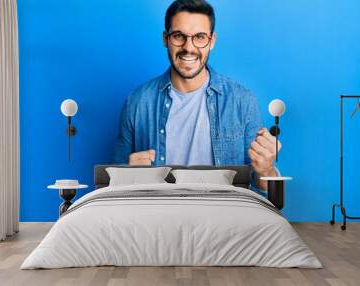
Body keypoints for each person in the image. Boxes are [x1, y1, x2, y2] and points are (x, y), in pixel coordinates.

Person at [112, 0, 281, 192]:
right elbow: (113, 188)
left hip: (223, 216)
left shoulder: (242, 101)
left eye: (199, 37)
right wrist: (129, 175)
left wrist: (266, 170)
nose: (189, 47)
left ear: (212, 41)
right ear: (165, 39)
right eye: (178, 36)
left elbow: (261, 191)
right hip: (158, 215)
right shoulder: (137, 102)